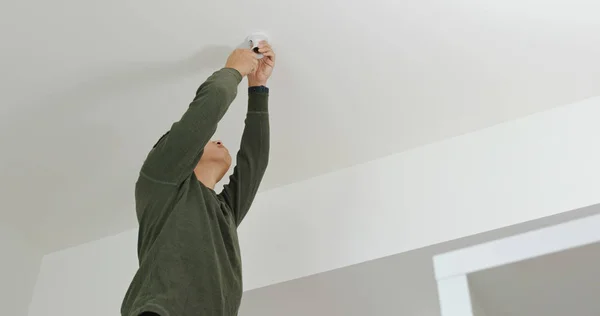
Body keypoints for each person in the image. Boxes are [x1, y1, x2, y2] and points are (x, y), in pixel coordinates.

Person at [120, 42, 276, 316]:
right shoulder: (161, 180)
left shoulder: (223, 213)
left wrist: (258, 87)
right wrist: (233, 70)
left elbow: (254, 159)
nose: (216, 139)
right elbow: (206, 114)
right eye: (205, 139)